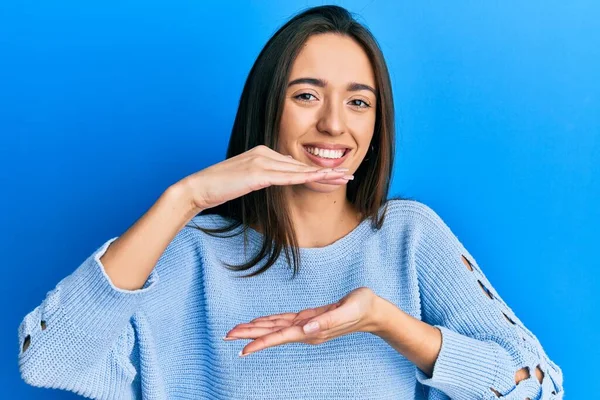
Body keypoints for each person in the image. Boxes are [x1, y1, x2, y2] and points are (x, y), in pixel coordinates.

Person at [17, 5, 563, 400]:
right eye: (306, 95)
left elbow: (539, 387)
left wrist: (385, 321)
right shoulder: (192, 251)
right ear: (267, 107)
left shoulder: (410, 237)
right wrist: (184, 198)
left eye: (358, 101)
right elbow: (47, 359)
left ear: (378, 122)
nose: (333, 123)